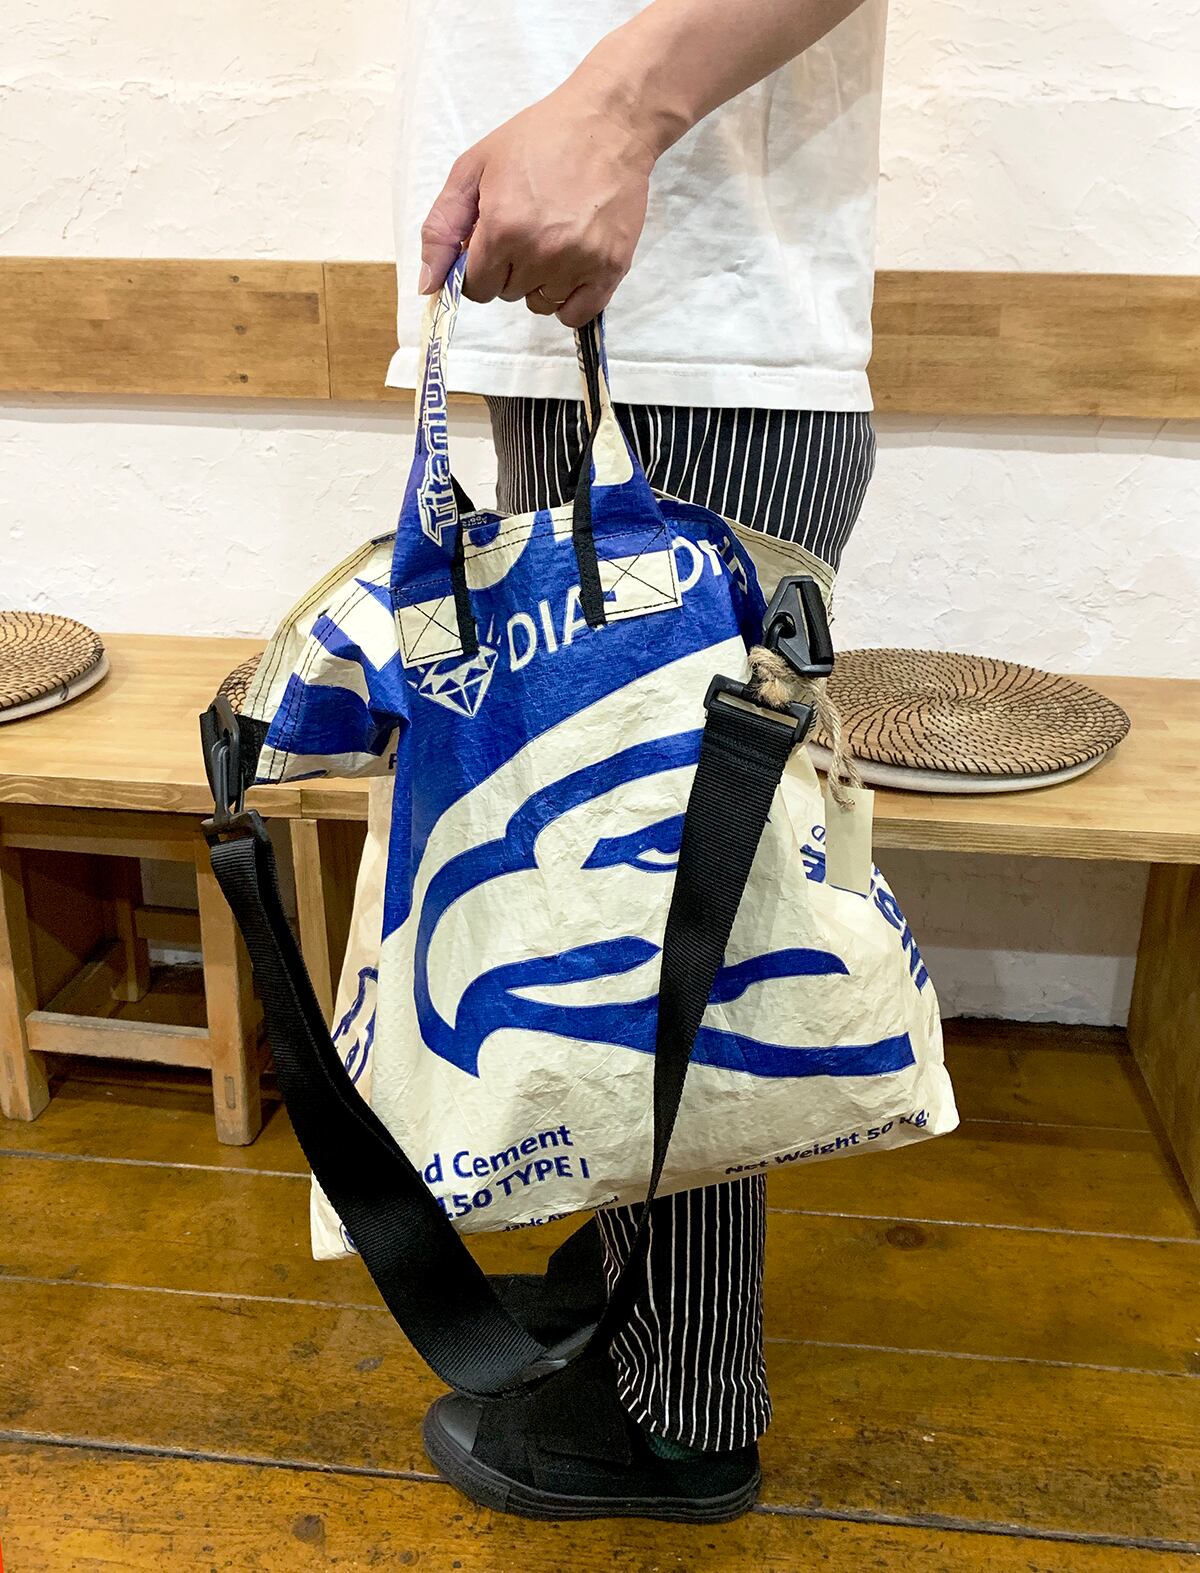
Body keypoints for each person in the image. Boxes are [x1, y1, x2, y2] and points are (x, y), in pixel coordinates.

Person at [391, 0, 885, 1524]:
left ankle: (682, 1406)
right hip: (614, 312)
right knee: (615, 878)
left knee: (671, 897)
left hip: (689, 334)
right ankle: (632, 1280)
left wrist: (616, 111)